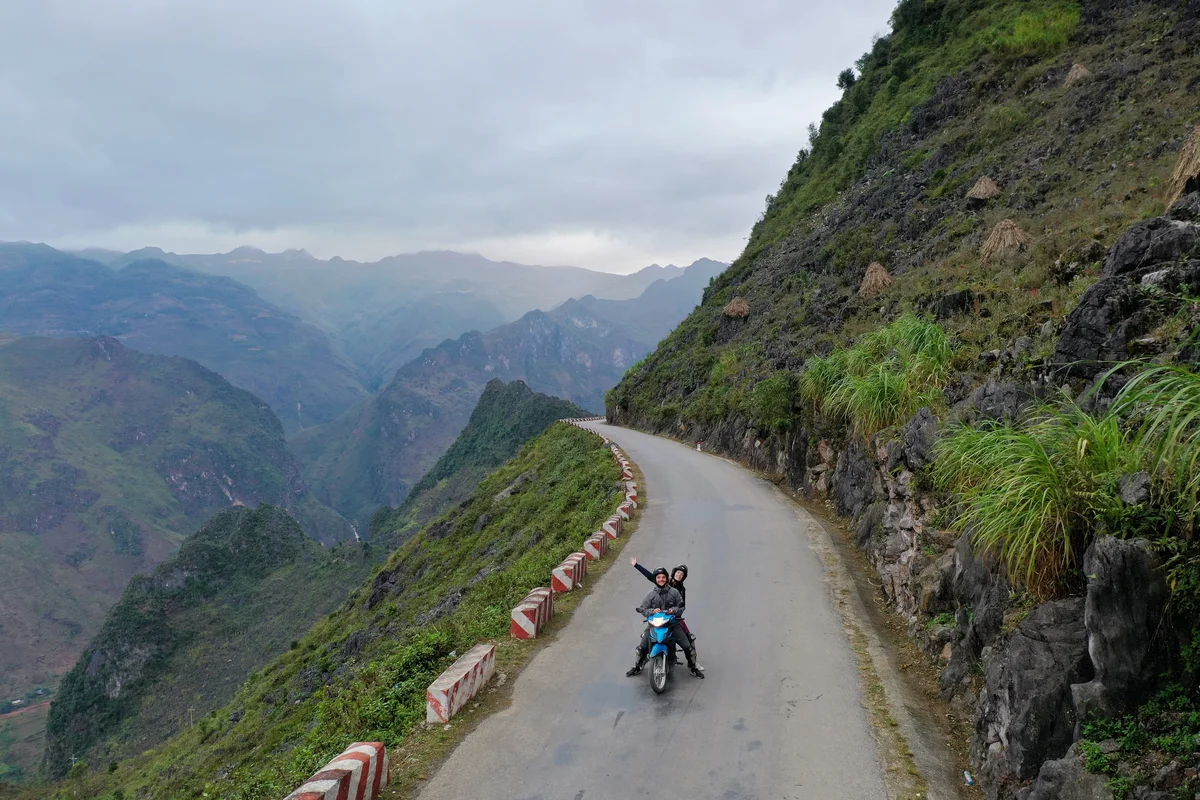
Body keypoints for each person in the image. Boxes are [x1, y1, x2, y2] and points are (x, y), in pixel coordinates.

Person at [626, 567, 703, 679]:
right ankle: (638, 666)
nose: (661, 579)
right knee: (641, 648)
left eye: (663, 577)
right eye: (658, 577)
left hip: (672, 624)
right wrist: (652, 611)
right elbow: (643, 609)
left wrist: (674, 610)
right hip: (654, 625)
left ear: (666, 578)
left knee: (688, 648)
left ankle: (693, 667)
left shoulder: (675, 592)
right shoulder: (650, 595)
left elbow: (681, 606)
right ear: (655, 579)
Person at [630, 558, 695, 643]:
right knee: (645, 636)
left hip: (671, 615)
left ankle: (689, 637)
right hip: (659, 614)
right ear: (674, 573)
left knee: (684, 634)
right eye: (678, 572)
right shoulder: (663, 581)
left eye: (681, 574)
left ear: (683, 577)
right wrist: (636, 565)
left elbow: (682, 604)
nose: (679, 575)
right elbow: (649, 575)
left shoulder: (681, 590)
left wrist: (674, 611)